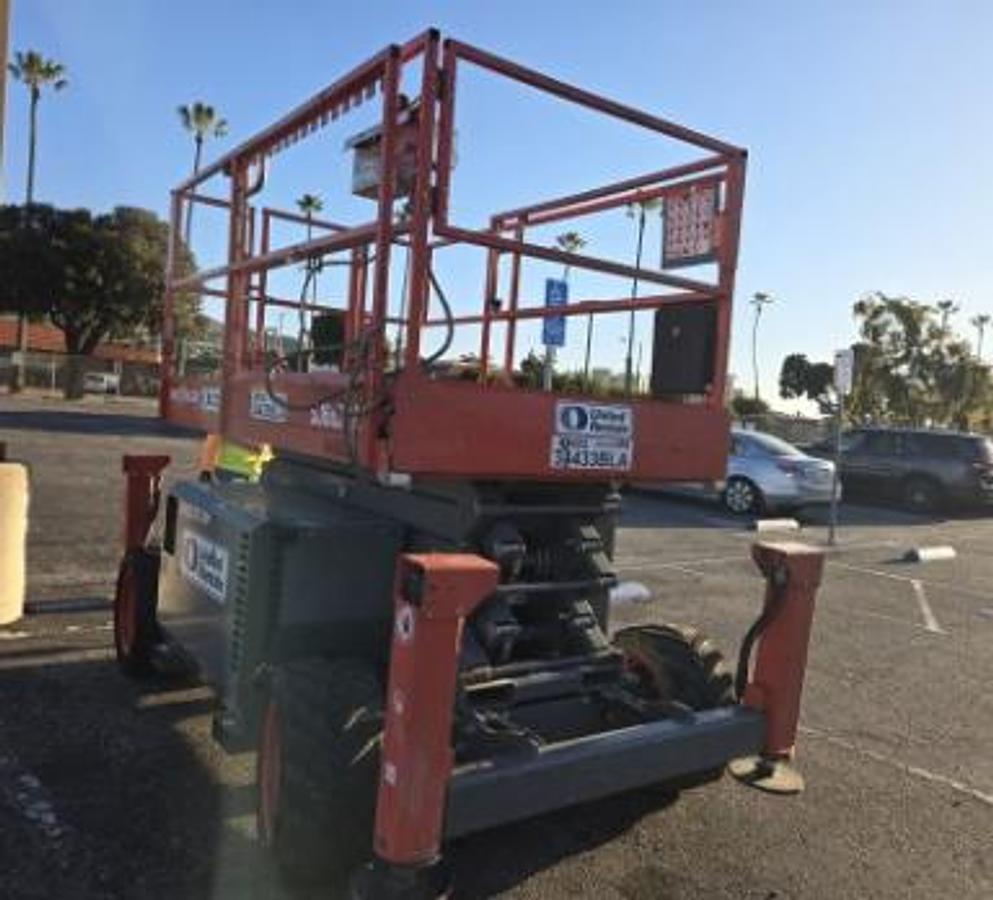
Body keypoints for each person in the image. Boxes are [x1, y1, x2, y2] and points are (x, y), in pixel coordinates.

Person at [198, 433, 273, 483]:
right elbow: (212, 442)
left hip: (251, 473)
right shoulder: (231, 416)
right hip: (230, 470)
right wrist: (206, 471)